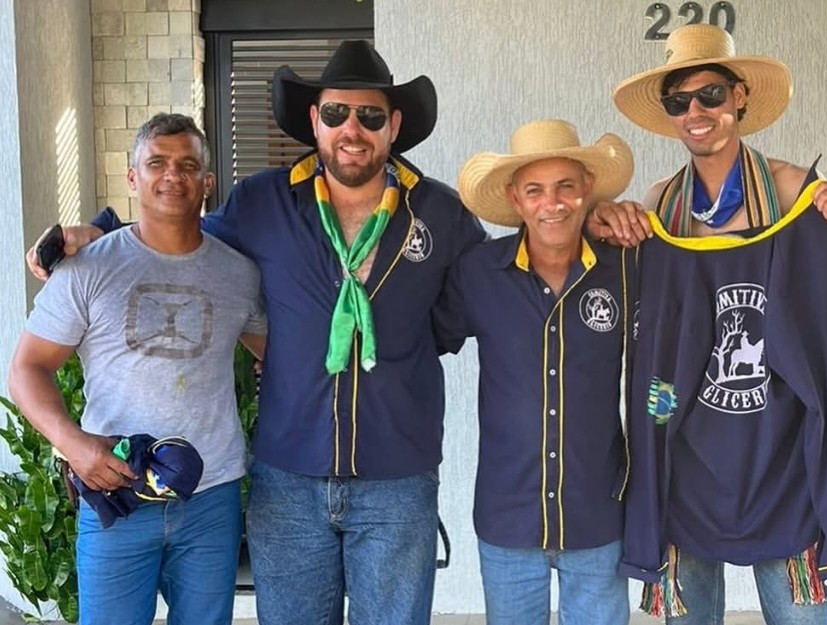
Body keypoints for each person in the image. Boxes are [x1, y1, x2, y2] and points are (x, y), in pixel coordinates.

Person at [27, 41, 486, 625]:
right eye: (337, 113)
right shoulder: (263, 202)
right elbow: (180, 237)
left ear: (393, 126)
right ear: (315, 121)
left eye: (370, 116)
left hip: (397, 475)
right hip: (289, 477)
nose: (352, 129)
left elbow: (479, 299)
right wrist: (98, 232)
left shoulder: (441, 214)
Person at [589, 24, 827, 625]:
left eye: (711, 95)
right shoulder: (661, 206)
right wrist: (601, 223)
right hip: (688, 471)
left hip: (785, 470)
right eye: (679, 101)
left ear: (740, 96)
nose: (695, 112)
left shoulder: (796, 194)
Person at [8, 113, 267, 625]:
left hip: (210, 497)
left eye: (188, 165)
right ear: (132, 177)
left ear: (207, 182)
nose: (173, 175)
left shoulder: (239, 274)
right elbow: (27, 368)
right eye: (157, 163)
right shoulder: (88, 268)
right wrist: (73, 443)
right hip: (115, 492)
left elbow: (281, 353)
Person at [436, 119, 634, 625]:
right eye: (535, 190)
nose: (553, 203)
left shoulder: (626, 268)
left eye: (566, 186)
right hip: (508, 516)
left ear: (588, 188)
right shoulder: (478, 272)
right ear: (515, 199)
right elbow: (418, 343)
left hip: (597, 514)